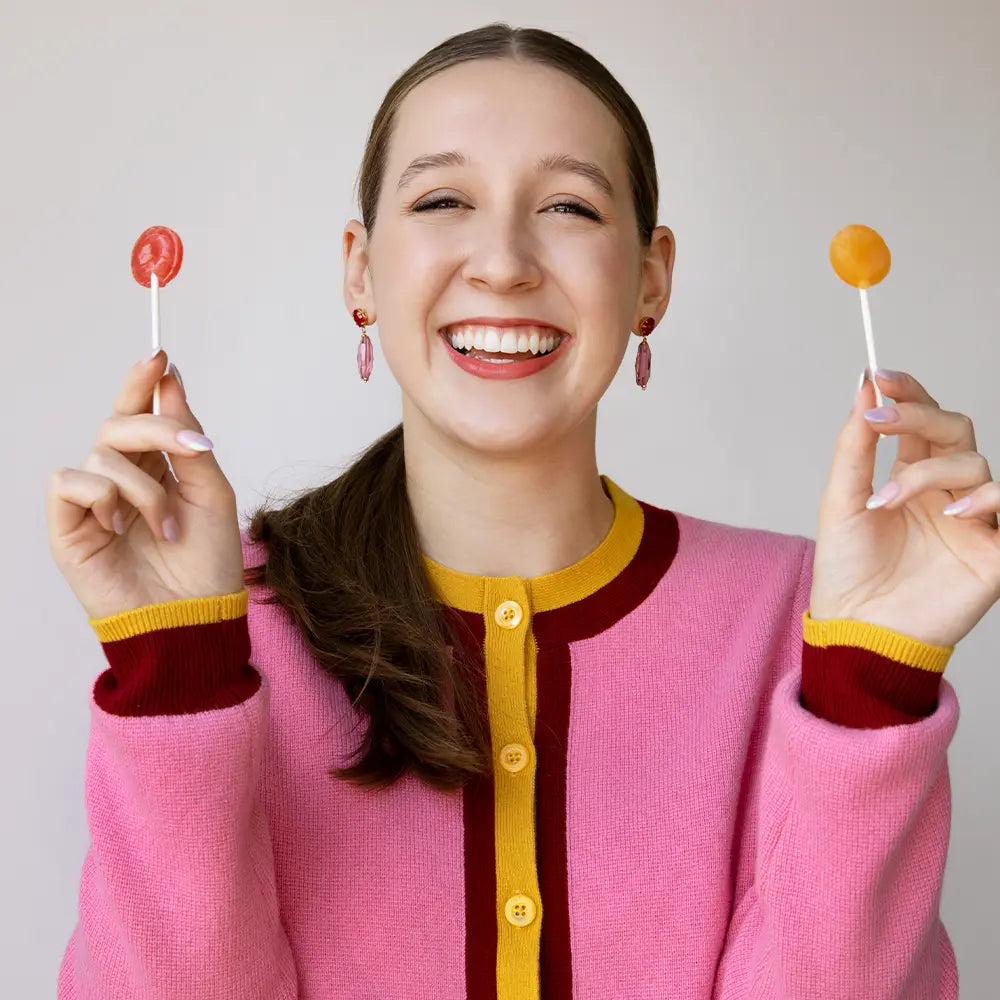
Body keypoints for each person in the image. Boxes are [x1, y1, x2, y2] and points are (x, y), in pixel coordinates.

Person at [49, 21, 1000, 1000]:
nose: (502, 261)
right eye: (443, 199)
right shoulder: (216, 628)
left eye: (568, 207)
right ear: (358, 270)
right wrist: (178, 673)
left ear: (651, 279)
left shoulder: (810, 620)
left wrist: (870, 681)